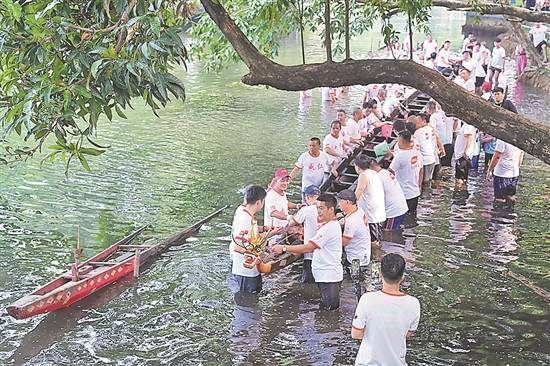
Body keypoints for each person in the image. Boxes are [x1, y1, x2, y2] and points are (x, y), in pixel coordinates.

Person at [272, 194, 343, 310]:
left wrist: (284, 248)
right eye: (317, 208)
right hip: (325, 275)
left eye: (321, 208)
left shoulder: (329, 228)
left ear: (331, 210)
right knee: (326, 308)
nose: (318, 211)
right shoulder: (327, 225)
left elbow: (309, 247)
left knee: (330, 310)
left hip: (329, 276)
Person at [352, 253, 420, 366]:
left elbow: (356, 334)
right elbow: (408, 334)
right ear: (402, 277)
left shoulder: (367, 299)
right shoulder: (414, 303)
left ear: (380, 274)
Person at [229, 185, 267, 293]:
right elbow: (237, 246)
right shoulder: (245, 219)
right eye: (263, 201)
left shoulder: (244, 212)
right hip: (245, 271)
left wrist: (266, 230)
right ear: (258, 202)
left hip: (250, 268)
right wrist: (255, 254)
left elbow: (250, 232)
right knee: (246, 301)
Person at [337, 189, 371, 300]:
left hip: (356, 259)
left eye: (340, 202)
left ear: (347, 202)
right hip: (364, 252)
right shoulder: (359, 210)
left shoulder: (352, 221)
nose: (339, 204)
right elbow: (345, 219)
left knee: (355, 281)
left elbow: (344, 242)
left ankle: (357, 300)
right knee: (360, 279)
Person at [286, 185, 321, 283]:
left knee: (307, 282)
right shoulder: (325, 208)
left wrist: (284, 230)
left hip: (309, 252)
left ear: (308, 197)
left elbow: (292, 222)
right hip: (323, 253)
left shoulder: (306, 210)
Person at [389, 131, 424, 215]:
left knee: (403, 217)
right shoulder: (418, 154)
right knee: (412, 215)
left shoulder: (400, 156)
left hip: (404, 194)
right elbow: (421, 171)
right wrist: (419, 186)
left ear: (402, 141)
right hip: (415, 192)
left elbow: (390, 172)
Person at [354, 156, 386, 245]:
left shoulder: (363, 175)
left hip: (372, 214)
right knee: (377, 239)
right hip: (379, 212)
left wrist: (351, 205)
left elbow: (359, 190)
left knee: (373, 242)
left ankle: (376, 257)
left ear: (357, 167)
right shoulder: (373, 173)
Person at [369, 160, 408, 230]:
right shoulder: (385, 172)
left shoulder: (377, 177)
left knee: (388, 234)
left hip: (394, 212)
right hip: (402, 207)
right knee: (396, 231)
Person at [487, 140, 524, 204]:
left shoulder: (502, 140)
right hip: (514, 173)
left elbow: (497, 156)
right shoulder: (519, 138)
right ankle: (510, 212)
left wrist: (490, 170)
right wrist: (517, 167)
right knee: (511, 197)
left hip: (502, 173)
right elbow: (521, 154)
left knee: (499, 199)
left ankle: (499, 213)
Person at [413, 113, 438, 186]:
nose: (415, 124)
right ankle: (428, 196)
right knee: (428, 181)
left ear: (424, 121)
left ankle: (425, 196)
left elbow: (415, 146)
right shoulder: (431, 129)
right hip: (432, 158)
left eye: (417, 122)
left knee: (424, 183)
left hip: (424, 160)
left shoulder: (418, 132)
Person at [453, 121, 476, 190]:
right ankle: (462, 193)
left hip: (462, 156)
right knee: (462, 177)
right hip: (461, 155)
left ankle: (459, 195)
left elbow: (470, 137)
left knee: (460, 178)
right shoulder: (467, 125)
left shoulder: (468, 126)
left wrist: (466, 151)